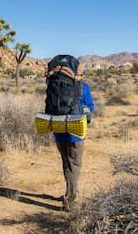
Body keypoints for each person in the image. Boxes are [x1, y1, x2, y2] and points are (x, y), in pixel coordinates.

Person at [53, 79, 94, 211]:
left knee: (66, 162)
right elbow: (89, 106)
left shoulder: (56, 85)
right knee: (74, 165)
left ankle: (70, 191)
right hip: (75, 133)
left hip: (59, 131)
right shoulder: (83, 87)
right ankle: (69, 200)